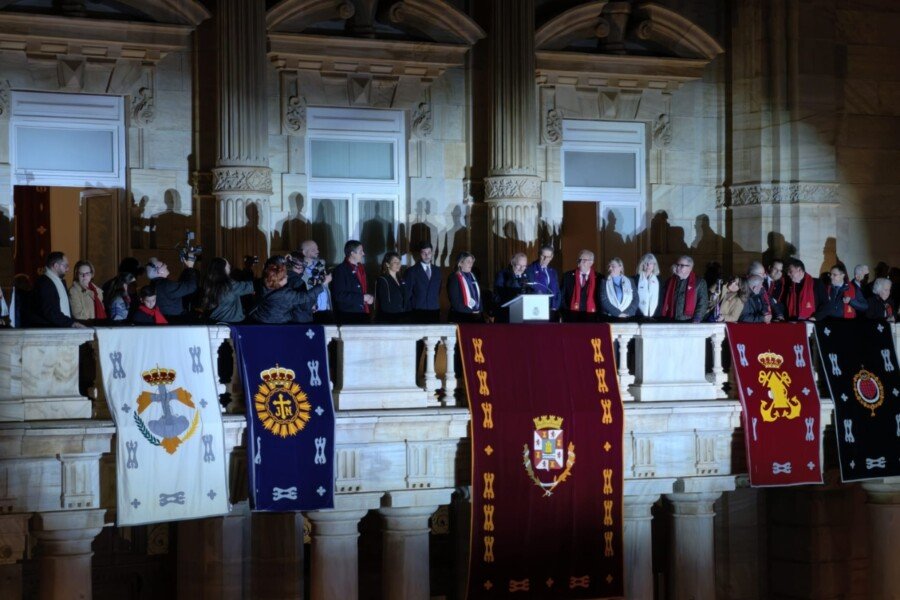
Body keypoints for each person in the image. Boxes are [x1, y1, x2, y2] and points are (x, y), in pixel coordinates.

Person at [250, 261, 330, 324]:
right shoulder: (284, 294)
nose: (287, 276)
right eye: (285, 276)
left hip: (258, 320)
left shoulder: (264, 285)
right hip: (274, 324)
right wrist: (323, 284)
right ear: (279, 280)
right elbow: (305, 297)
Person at [25, 252, 86, 328]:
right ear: (56, 266)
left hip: (61, 327)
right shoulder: (44, 283)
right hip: (49, 331)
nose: (68, 269)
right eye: (65, 266)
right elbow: (50, 311)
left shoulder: (57, 281)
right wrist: (71, 323)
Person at [331, 240, 373, 324]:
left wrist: (369, 297)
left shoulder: (361, 269)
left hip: (363, 312)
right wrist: (362, 298)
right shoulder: (341, 270)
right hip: (349, 316)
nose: (363, 254)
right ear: (352, 253)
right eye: (361, 252)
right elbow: (339, 295)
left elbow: (362, 289)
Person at [202, 257, 255, 323]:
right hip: (231, 323)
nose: (229, 265)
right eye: (227, 264)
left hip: (213, 321)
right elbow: (251, 286)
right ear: (222, 269)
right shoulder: (230, 285)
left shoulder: (208, 283)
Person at [145, 256, 198, 321]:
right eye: (163, 265)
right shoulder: (167, 285)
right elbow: (191, 287)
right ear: (159, 272)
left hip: (165, 320)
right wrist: (190, 267)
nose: (166, 265)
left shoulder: (154, 284)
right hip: (175, 321)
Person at [661, 255, 708, 322]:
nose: (677, 267)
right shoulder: (670, 281)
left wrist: (697, 319)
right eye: (677, 265)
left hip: (689, 320)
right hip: (671, 319)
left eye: (681, 265)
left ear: (690, 267)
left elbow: (703, 303)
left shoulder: (699, 282)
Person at [404, 241, 442, 323]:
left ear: (432, 253)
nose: (427, 255)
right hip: (417, 312)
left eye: (429, 252)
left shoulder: (437, 270)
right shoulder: (411, 271)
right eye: (424, 253)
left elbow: (438, 291)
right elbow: (407, 294)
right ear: (419, 254)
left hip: (434, 310)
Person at [561, 250, 600, 322]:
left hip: (592, 317)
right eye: (579, 259)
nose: (580, 262)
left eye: (584, 260)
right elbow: (562, 296)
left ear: (591, 262)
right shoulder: (568, 276)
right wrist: (565, 312)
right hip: (571, 316)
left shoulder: (599, 278)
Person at [299, 240, 333, 323]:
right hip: (311, 311)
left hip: (326, 309)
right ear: (304, 252)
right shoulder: (299, 270)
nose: (317, 251)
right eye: (313, 250)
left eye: (317, 249)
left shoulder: (321, 265)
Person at [492, 252, 531, 323]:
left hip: (521, 314)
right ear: (512, 263)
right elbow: (498, 293)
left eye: (524, 266)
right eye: (519, 265)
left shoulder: (526, 276)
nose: (522, 269)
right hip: (504, 314)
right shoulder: (503, 274)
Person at [525, 245, 561, 319]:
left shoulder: (553, 271)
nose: (545, 259)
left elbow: (557, 290)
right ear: (539, 255)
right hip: (536, 309)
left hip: (552, 309)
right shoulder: (530, 270)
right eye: (543, 256)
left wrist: (555, 306)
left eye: (548, 257)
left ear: (551, 257)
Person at [447, 251, 483, 323]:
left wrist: (480, 309)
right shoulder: (454, 277)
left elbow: (478, 296)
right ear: (460, 263)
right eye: (468, 261)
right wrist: (469, 311)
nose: (471, 264)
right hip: (461, 316)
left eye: (472, 262)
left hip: (475, 316)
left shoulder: (473, 276)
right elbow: (455, 300)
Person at [375, 252, 410, 323]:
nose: (398, 264)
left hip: (402, 318)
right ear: (387, 264)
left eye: (399, 261)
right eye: (395, 262)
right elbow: (384, 305)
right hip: (389, 320)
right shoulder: (382, 280)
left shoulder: (401, 279)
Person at [634, 253, 662, 319]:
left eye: (651, 263)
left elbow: (661, 300)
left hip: (655, 316)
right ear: (642, 264)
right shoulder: (636, 279)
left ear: (654, 265)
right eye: (646, 263)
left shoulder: (659, 280)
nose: (648, 265)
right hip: (638, 315)